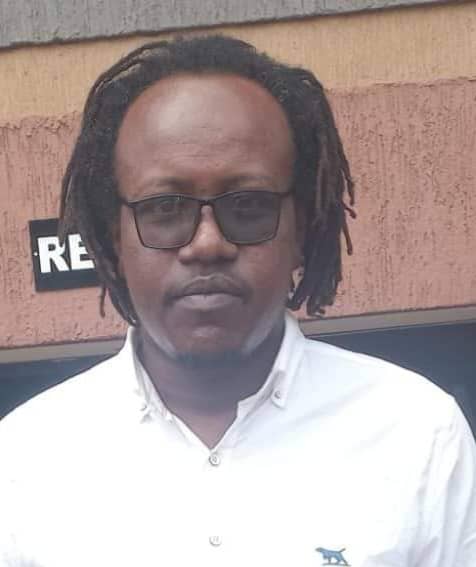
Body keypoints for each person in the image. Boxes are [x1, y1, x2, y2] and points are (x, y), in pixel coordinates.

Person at [0, 35, 474, 567]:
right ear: (116, 238)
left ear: (301, 228)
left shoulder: (418, 433)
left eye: (248, 205)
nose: (207, 244)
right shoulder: (21, 461)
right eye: (165, 207)